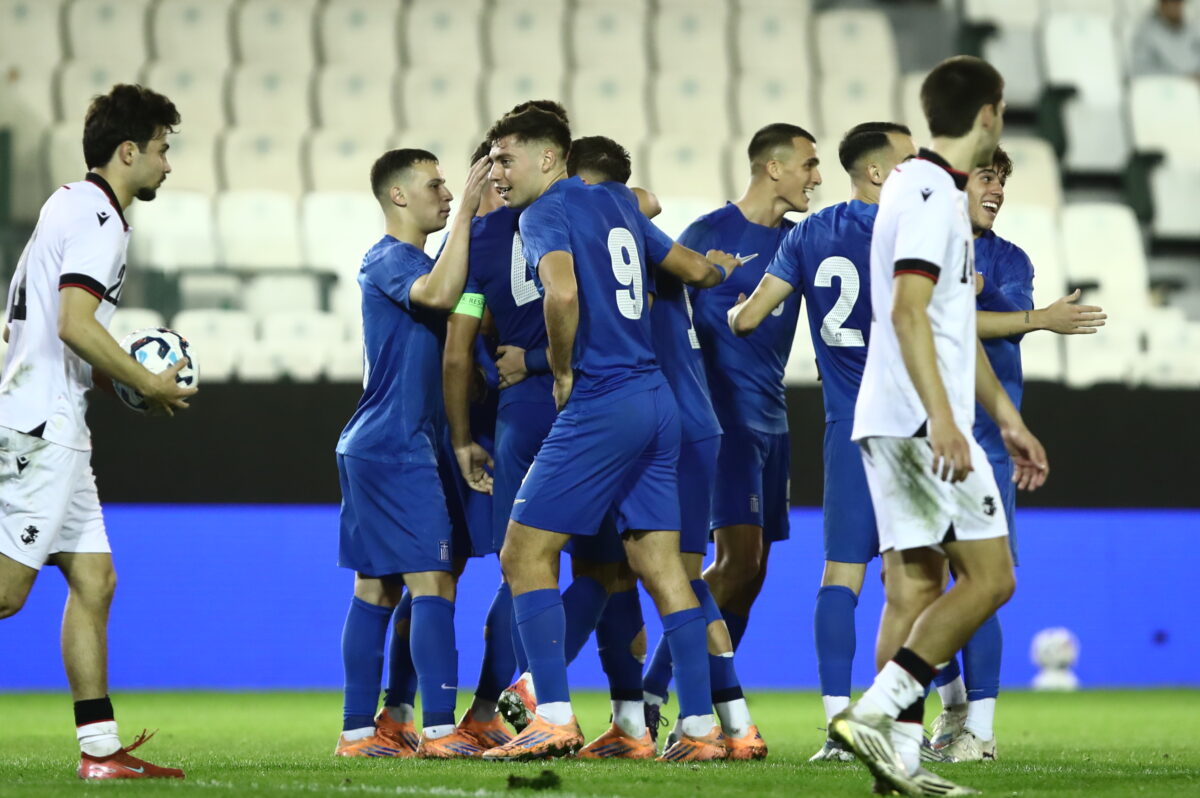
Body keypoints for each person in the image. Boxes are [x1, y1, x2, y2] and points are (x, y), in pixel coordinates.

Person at [478, 107, 741, 763]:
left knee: (522, 553)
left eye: (505, 158)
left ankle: (552, 717)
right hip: (657, 399)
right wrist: (721, 272)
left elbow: (562, 294)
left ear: (548, 158)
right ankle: (701, 729)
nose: (495, 172)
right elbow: (688, 267)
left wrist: (562, 370)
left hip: (602, 399)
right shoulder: (619, 203)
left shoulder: (542, 214)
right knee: (662, 567)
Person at [828, 56, 1049, 797]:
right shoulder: (929, 194)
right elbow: (908, 311)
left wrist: (1006, 418)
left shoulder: (926, 189)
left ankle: (898, 763)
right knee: (991, 577)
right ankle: (877, 712)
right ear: (989, 113)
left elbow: (951, 327)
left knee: (915, 588)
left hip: (901, 417)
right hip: (920, 422)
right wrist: (947, 419)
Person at [0, 83, 193, 780]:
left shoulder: (68, 203)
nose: (167, 164)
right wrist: (147, 382)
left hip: (54, 418)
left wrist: (121, 383)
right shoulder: (101, 222)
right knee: (7, 594)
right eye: (162, 149)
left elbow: (39, 328)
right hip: (41, 427)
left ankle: (101, 752)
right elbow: (74, 324)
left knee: (95, 579)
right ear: (128, 151)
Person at [567, 134, 765, 760]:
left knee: (633, 572)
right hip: (691, 422)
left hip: (654, 425)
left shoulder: (604, 239)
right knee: (670, 576)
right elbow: (649, 205)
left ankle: (671, 720)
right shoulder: (643, 241)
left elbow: (641, 200)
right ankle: (722, 723)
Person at [727, 121, 917, 762]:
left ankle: (839, 725)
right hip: (912, 425)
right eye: (908, 160)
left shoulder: (808, 234)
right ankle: (919, 725)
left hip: (848, 426)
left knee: (840, 576)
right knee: (916, 582)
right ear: (877, 172)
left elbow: (750, 317)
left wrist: (731, 311)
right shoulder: (914, 231)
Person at [928, 147, 1106, 763]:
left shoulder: (1010, 259)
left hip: (983, 439)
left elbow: (989, 320)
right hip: (922, 434)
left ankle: (979, 729)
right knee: (914, 585)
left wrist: (1018, 311)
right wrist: (1035, 316)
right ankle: (953, 704)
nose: (998, 189)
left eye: (1002, 179)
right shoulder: (923, 251)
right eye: (986, 176)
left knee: (979, 581)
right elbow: (940, 320)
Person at [334, 147, 490, 759]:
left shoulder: (413, 260)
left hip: (379, 445)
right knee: (434, 582)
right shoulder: (390, 259)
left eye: (450, 186)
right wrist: (469, 214)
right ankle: (441, 730)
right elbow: (439, 294)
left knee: (377, 589)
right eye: (435, 185)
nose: (447, 194)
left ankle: (358, 733)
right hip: (394, 447)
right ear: (398, 196)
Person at [686, 124, 822, 658]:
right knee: (736, 562)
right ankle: (657, 690)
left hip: (773, 420)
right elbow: (661, 314)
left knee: (755, 571)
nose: (816, 177)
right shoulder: (708, 232)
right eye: (809, 165)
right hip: (725, 420)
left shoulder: (801, 241)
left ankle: (717, 694)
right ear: (774, 167)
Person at [1130, 0, 1200, 80]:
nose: (1177, 7)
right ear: (1162, 4)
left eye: (1179, 3)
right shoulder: (1146, 33)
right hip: (1166, 85)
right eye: (1173, 3)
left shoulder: (1192, 28)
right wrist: (1182, 78)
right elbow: (1142, 71)